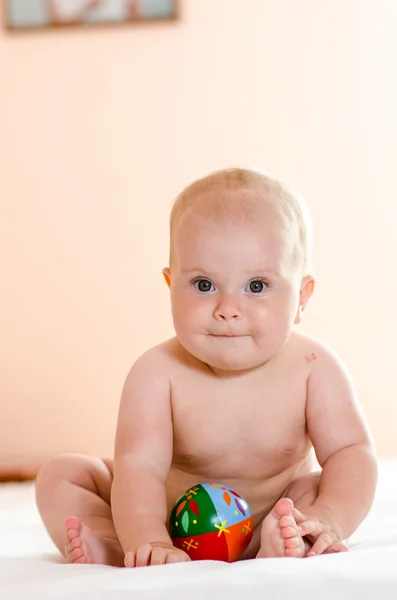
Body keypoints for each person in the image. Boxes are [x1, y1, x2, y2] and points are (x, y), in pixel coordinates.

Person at [35, 168, 378, 567]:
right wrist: (147, 536)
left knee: (321, 486)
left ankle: (288, 538)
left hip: (273, 513)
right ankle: (115, 544)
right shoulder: (156, 373)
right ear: (170, 285)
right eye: (203, 285)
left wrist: (329, 517)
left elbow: (351, 452)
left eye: (256, 286)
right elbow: (140, 468)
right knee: (63, 475)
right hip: (161, 520)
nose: (228, 310)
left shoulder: (313, 368)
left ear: (302, 296)